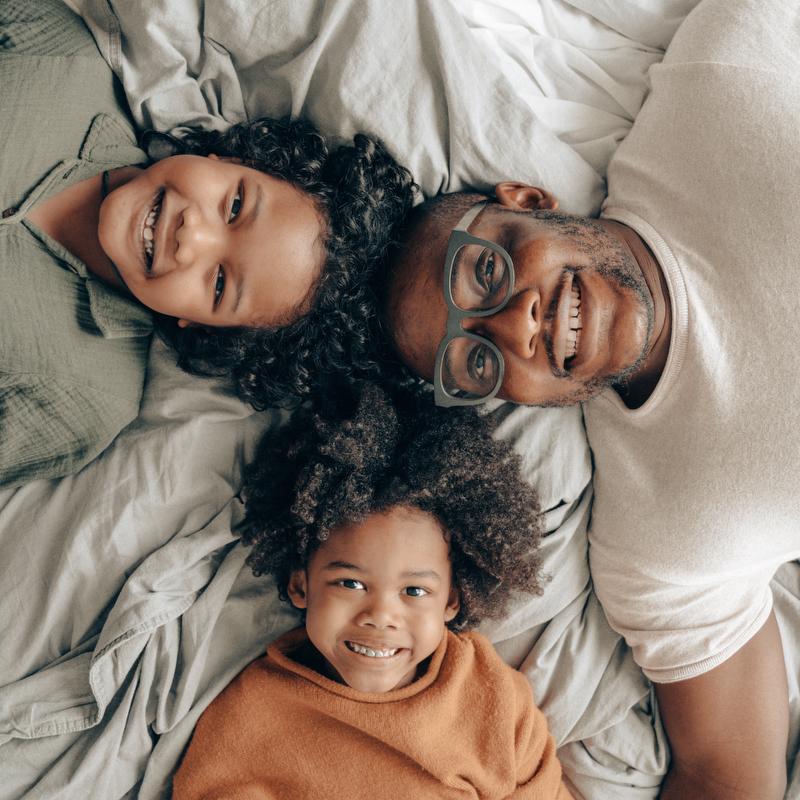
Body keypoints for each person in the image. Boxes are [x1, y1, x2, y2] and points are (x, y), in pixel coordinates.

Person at [375, 1, 800, 798]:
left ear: (529, 201)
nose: (515, 326)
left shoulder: (719, 84)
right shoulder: (657, 539)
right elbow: (727, 775)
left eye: (487, 273)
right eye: (477, 361)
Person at [0, 0, 415, 487]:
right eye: (236, 205)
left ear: (198, 324)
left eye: (219, 283)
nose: (191, 236)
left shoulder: (83, 402)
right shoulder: (60, 57)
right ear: (228, 158)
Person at [172, 382, 574, 799]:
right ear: (300, 584)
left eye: (415, 591)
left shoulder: (491, 699)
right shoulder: (252, 715)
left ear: (451, 599)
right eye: (351, 583)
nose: (381, 615)